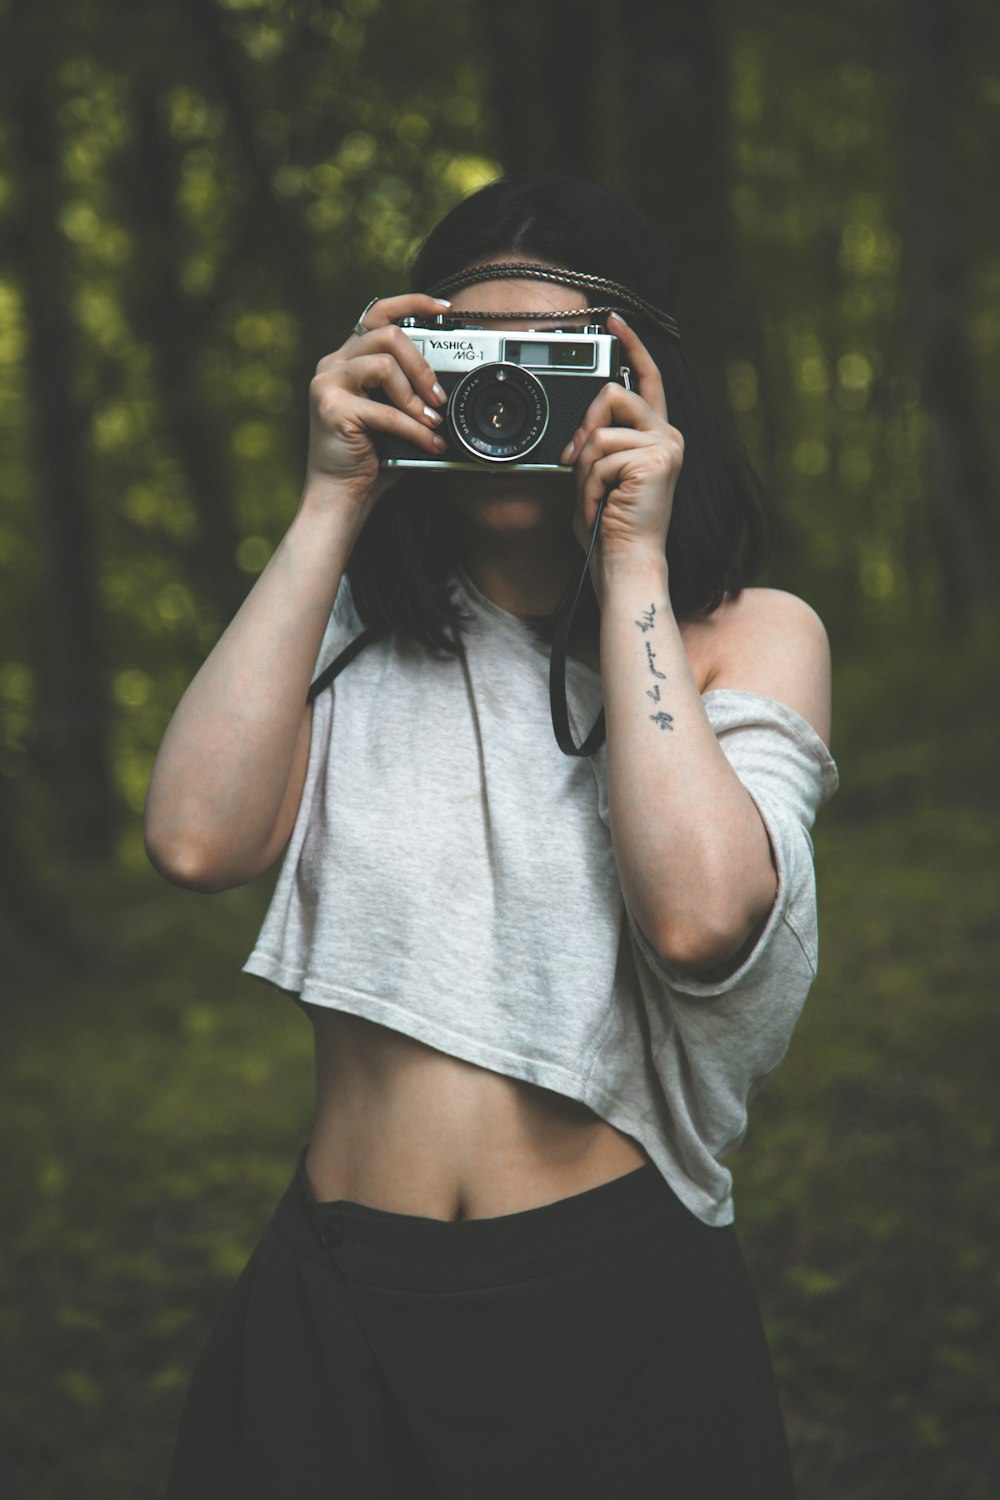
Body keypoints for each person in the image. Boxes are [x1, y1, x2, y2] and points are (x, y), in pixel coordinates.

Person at [146, 174, 838, 1499]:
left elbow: (701, 917)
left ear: (642, 385)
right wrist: (329, 504)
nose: (507, 404)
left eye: (553, 368)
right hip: (333, 1308)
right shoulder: (343, 634)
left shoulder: (746, 633)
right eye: (472, 364)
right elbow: (192, 839)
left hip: (622, 1312)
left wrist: (630, 559)